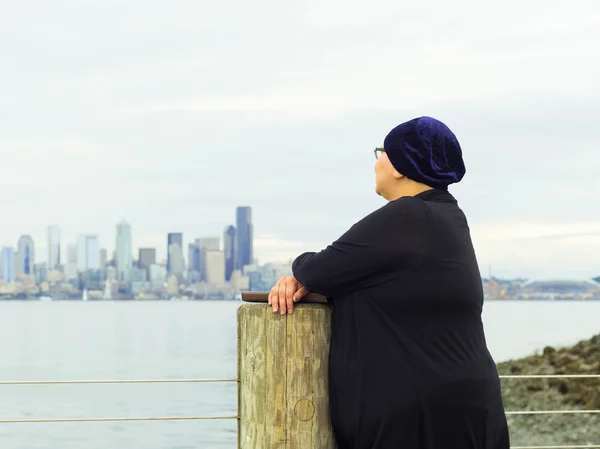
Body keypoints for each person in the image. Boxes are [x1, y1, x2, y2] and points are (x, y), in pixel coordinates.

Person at [268, 116, 510, 449]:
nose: (377, 163)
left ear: (399, 165)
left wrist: (298, 273)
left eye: (382, 152)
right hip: (464, 406)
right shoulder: (448, 216)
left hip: (422, 418)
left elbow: (318, 269)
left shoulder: (408, 215)